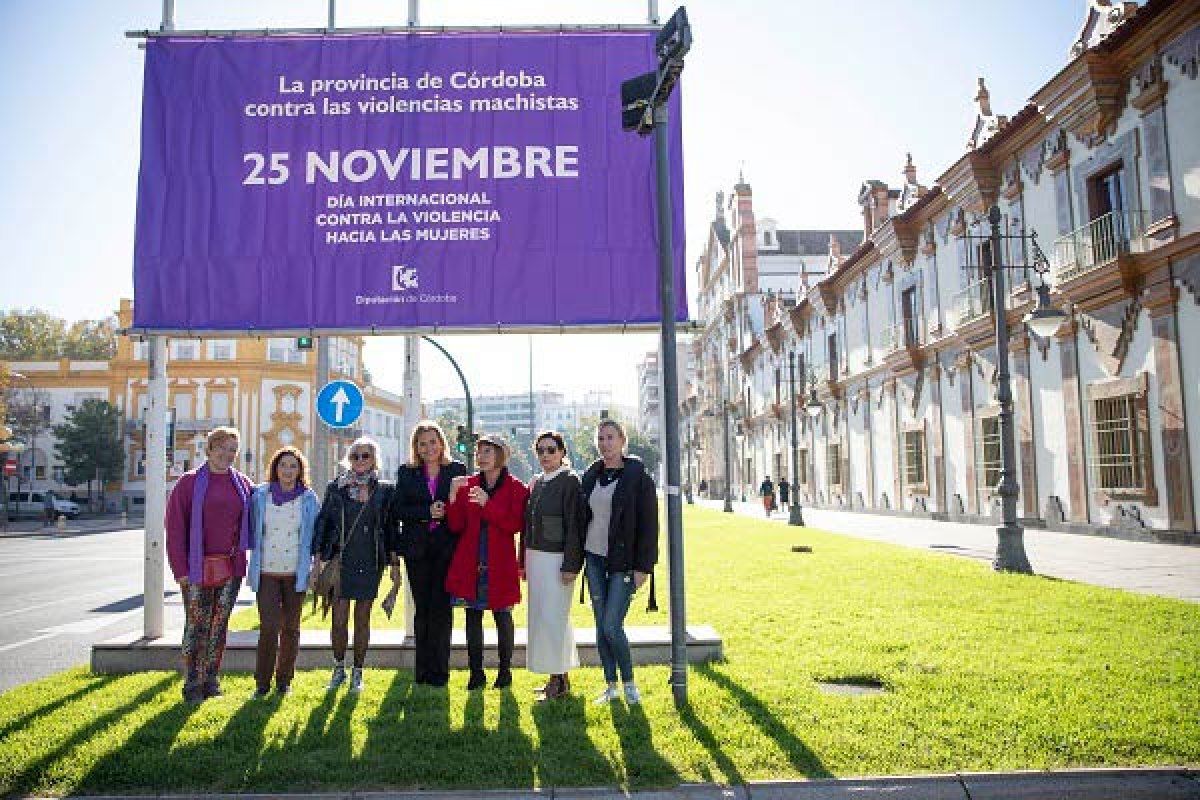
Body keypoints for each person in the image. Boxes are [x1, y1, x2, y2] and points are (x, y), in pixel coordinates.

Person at [165, 427, 254, 705]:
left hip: (231, 566)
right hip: (195, 568)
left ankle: (211, 679)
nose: (227, 455)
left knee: (219, 625)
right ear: (210, 448)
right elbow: (175, 528)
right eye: (222, 448)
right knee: (196, 625)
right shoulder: (188, 483)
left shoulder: (243, 483)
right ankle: (192, 682)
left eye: (232, 450)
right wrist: (180, 569)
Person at [313, 437, 399, 693]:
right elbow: (323, 524)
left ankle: (358, 672)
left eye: (365, 456)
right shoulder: (335, 488)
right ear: (348, 459)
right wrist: (317, 562)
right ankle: (338, 668)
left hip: (371, 560)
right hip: (342, 561)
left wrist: (394, 564)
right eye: (355, 456)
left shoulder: (384, 490)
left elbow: (390, 527)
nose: (360, 460)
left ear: (374, 460)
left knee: (362, 619)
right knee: (339, 619)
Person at [580, 419, 658, 705]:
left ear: (622, 440)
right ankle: (610, 686)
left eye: (610, 437)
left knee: (613, 625)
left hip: (623, 563)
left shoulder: (638, 477)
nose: (605, 443)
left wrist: (643, 567)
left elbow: (650, 525)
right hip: (594, 559)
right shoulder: (590, 475)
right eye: (600, 438)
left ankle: (629, 684)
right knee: (601, 626)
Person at [445, 434, 529, 690]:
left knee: (503, 617)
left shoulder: (517, 488)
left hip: (500, 562)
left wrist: (488, 504)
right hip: (471, 560)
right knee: (472, 617)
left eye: (487, 452)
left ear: (501, 456)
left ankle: (505, 671)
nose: (480, 457)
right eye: (478, 453)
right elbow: (456, 524)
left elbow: (514, 525)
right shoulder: (468, 484)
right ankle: (476, 673)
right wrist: (452, 495)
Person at [393, 421, 467, 687]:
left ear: (441, 443)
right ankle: (422, 671)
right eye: (422, 443)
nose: (428, 448)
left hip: (447, 548)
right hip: (417, 550)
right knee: (422, 610)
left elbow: (465, 507)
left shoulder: (457, 470)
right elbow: (398, 509)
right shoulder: (406, 472)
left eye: (432, 442)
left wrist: (447, 510)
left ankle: (440, 672)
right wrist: (427, 512)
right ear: (416, 447)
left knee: (442, 610)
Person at [247, 446, 320, 698]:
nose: (287, 471)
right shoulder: (259, 496)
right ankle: (262, 683)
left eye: (293, 466)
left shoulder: (309, 499)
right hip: (266, 571)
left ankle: (284, 681)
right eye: (283, 465)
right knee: (268, 626)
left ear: (300, 470)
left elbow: (314, 536)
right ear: (275, 469)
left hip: (294, 573)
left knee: (291, 628)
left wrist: (314, 568)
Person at [522, 431, 585, 701]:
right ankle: (558, 677)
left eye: (551, 450)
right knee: (543, 619)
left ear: (562, 452)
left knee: (554, 619)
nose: (545, 455)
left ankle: (557, 682)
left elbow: (575, 525)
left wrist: (571, 564)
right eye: (541, 451)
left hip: (557, 559)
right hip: (537, 558)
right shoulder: (538, 482)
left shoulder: (569, 481)